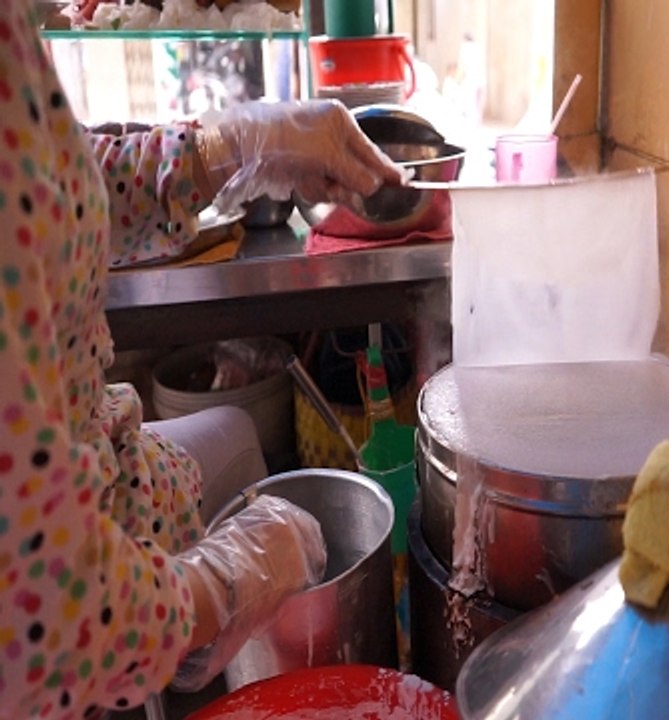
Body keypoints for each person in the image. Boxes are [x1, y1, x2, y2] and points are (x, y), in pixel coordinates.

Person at [0, 1, 407, 718]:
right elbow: (45, 623)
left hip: (109, 469)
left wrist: (225, 147)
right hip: (67, 617)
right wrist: (214, 589)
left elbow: (48, 184)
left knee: (235, 437)